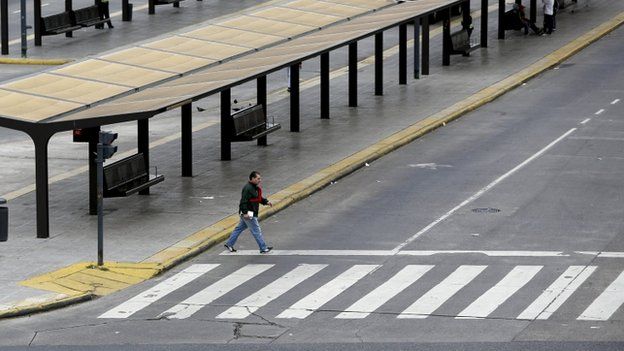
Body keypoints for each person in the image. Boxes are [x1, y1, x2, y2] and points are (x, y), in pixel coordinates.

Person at [224, 171, 273, 254]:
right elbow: (243, 201)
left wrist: (266, 202)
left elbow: (258, 198)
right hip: (249, 213)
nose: (260, 180)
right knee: (256, 230)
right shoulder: (248, 188)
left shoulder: (253, 187)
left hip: (249, 212)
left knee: (239, 229)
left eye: (260, 178)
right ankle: (263, 248)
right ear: (253, 178)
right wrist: (245, 213)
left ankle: (229, 244)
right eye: (258, 178)